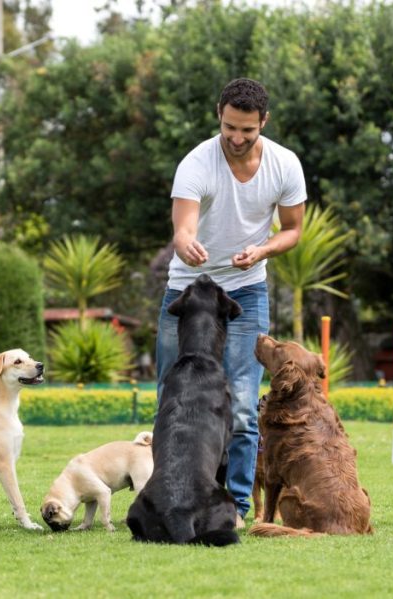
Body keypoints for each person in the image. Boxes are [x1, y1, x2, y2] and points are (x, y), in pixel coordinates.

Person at [155, 77, 306, 527]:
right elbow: (183, 225)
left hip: (245, 292)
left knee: (241, 404)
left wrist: (262, 251)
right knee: (172, 398)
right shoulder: (197, 162)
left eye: (247, 130)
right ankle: (167, 496)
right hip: (187, 293)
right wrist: (185, 244)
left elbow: (293, 230)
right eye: (229, 128)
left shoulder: (285, 164)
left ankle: (236, 508)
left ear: (264, 122)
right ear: (218, 114)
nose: (237, 139)